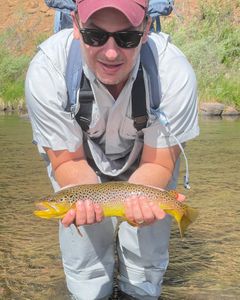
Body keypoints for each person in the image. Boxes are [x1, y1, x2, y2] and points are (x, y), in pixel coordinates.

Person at [25, 0, 199, 299]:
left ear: (145, 30)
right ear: (75, 24)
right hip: (78, 157)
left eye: (126, 38)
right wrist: (86, 201)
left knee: (146, 261)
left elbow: (158, 164)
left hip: (149, 156)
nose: (110, 52)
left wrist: (141, 208)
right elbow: (69, 159)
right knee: (86, 261)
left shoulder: (172, 72)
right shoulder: (48, 70)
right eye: (95, 35)